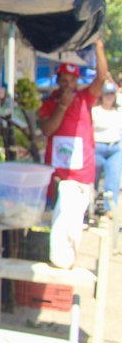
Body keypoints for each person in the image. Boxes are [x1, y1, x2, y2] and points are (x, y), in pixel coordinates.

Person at [38, 38, 108, 268]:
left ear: (77, 81)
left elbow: (101, 77)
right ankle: (60, 256)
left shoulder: (86, 98)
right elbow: (47, 129)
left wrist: (99, 48)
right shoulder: (50, 103)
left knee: (70, 215)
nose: (68, 84)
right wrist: (62, 107)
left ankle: (63, 259)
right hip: (56, 171)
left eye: (72, 80)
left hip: (79, 171)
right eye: (64, 80)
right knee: (58, 214)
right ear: (58, 81)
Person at [92, 81, 122, 215]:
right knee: (93, 180)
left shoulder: (118, 111)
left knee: (113, 180)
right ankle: (90, 207)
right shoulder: (95, 110)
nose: (109, 97)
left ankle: (110, 209)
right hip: (97, 147)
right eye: (107, 94)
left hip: (114, 148)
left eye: (111, 94)